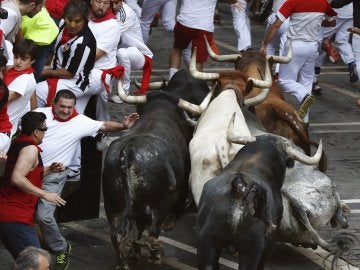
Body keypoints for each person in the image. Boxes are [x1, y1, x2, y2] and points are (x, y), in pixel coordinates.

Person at [34, 89, 139, 270]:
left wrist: (123, 126)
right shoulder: (38, 114)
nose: (66, 110)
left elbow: (104, 125)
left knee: (43, 216)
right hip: (30, 172)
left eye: (69, 107)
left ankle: (61, 248)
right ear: (53, 104)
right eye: (62, 106)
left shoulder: (80, 121)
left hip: (54, 176)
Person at [0, 111, 66, 260]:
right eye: (45, 129)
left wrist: (49, 169)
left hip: (10, 213)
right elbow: (17, 178)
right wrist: (45, 194)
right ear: (36, 132)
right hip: (15, 216)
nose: (45, 133)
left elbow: (27, 171)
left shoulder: (17, 143)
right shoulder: (30, 149)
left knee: (24, 262)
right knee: (37, 262)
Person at [260, 0, 337, 123]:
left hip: (294, 46)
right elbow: (332, 22)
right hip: (312, 47)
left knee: (284, 81)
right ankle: (304, 121)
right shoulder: (323, 2)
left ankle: (304, 96)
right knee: (306, 82)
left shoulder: (293, 1)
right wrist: (316, 22)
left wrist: (265, 43)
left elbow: (276, 24)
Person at [35, 0, 96, 115]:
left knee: (37, 91)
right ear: (64, 17)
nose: (72, 25)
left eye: (77, 21)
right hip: (58, 70)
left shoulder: (83, 43)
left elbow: (69, 73)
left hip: (75, 82)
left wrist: (45, 72)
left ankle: (37, 120)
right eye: (70, 19)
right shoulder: (63, 24)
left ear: (85, 21)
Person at [168, 0, 236, 79]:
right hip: (204, 27)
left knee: (177, 49)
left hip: (184, 22)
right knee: (198, 61)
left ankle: (171, 79)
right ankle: (195, 86)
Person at [110, 0, 153, 103]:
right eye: (111, 3)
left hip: (139, 54)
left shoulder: (125, 14)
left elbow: (110, 37)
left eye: (116, 3)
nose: (114, 6)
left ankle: (125, 91)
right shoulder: (105, 7)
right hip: (117, 50)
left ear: (121, 1)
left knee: (121, 53)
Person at [87, 0, 121, 121]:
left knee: (102, 105)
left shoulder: (112, 25)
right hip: (81, 67)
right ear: (91, 1)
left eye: (105, 3)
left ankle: (104, 129)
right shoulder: (83, 17)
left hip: (102, 70)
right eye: (98, 1)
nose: (101, 6)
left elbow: (94, 56)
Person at [312, 3, 358, 95]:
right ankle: (351, 62)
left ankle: (314, 80)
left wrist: (327, 5)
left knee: (320, 41)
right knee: (342, 40)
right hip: (351, 13)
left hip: (337, 12)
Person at [16, 0, 59, 82]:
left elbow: (21, 43)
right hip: (31, 35)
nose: (41, 9)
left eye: (42, 7)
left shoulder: (28, 12)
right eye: (41, 7)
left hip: (42, 39)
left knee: (34, 73)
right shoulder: (21, 9)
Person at [5, 38, 37, 137]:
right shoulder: (14, 73)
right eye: (16, 57)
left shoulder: (25, 79)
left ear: (32, 60)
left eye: (24, 59)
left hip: (3, 129)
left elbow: (3, 99)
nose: (18, 62)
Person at [331, 0, 360, 107]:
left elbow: (340, 2)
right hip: (351, 19)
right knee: (341, 40)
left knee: (358, 63)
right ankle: (351, 62)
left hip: (342, 16)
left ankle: (352, 63)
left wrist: (325, 4)